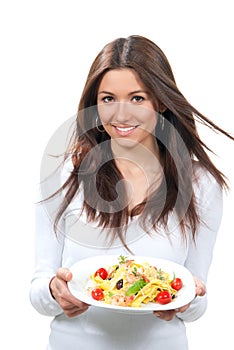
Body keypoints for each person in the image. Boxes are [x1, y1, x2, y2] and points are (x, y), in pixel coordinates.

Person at [30, 35, 234, 350]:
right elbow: (39, 290)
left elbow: (196, 301)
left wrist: (186, 301)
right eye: (108, 98)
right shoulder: (66, 175)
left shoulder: (201, 184)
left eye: (137, 98)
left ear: (162, 101)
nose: (121, 115)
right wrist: (55, 292)